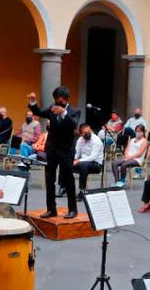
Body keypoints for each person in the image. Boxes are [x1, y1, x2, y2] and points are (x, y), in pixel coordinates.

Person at [28, 88, 80, 219]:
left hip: (66, 150)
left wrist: (63, 113)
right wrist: (33, 102)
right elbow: (39, 112)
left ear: (67, 99)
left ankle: (73, 210)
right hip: (51, 149)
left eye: (61, 98)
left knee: (68, 179)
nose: (58, 100)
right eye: (56, 97)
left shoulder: (74, 111)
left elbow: (73, 125)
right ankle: (51, 209)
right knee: (49, 179)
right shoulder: (52, 107)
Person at [72, 124, 103, 199]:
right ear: (81, 134)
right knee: (65, 163)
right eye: (85, 132)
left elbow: (93, 157)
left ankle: (82, 191)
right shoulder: (80, 140)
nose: (88, 133)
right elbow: (77, 153)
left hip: (96, 164)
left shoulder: (96, 140)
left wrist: (78, 161)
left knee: (83, 165)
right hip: (83, 163)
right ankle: (65, 187)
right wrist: (72, 160)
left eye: (89, 131)